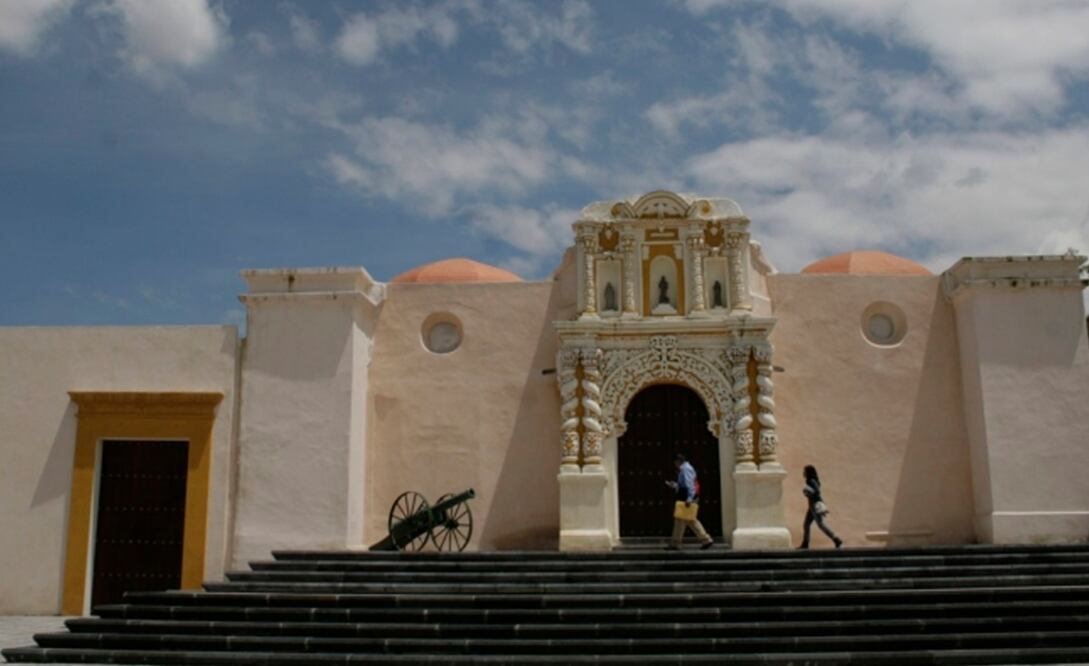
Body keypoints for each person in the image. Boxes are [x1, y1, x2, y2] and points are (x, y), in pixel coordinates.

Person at [665, 453, 714, 550]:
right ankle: (705, 539)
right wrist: (674, 485)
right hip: (686, 496)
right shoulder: (685, 468)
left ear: (678, 461)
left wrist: (689, 499)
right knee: (688, 519)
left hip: (687, 497)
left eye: (675, 463)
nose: (675, 465)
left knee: (682, 519)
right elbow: (683, 485)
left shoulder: (686, 469)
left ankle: (676, 543)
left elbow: (690, 485)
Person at [799, 464, 843, 549]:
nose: (803, 473)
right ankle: (805, 543)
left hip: (815, 505)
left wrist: (808, 491)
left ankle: (836, 539)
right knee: (806, 524)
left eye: (805, 471)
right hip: (811, 506)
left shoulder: (811, 481)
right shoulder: (810, 481)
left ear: (808, 472)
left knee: (821, 524)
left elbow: (817, 491)